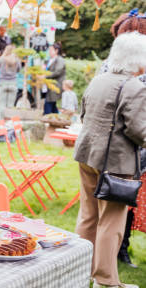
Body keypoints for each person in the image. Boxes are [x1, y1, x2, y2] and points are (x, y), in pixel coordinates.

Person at [74, 32, 146, 288]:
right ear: (138, 59)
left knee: (88, 216)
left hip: (87, 156)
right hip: (115, 163)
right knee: (112, 223)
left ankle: (79, 271)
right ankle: (106, 279)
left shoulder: (99, 80)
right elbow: (139, 131)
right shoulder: (135, 87)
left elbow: (83, 114)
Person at [100, 8, 146, 268]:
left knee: (129, 201)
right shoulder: (118, 68)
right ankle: (116, 253)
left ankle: (119, 250)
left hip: (123, 147)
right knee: (122, 201)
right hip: (125, 148)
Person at [0, 45, 20, 113]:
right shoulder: (16, 60)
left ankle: (2, 122)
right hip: (13, 83)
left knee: (2, 106)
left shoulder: (2, 59)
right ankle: (8, 122)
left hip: (3, 83)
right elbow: (19, 70)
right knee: (10, 106)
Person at [42, 42, 65, 115]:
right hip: (48, 86)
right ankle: (56, 119)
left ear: (56, 50)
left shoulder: (60, 60)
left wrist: (45, 76)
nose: (49, 52)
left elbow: (57, 72)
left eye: (51, 50)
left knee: (49, 104)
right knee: (52, 106)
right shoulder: (49, 60)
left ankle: (48, 118)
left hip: (55, 85)